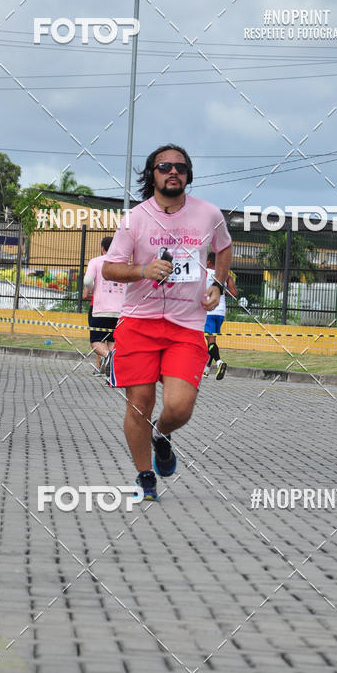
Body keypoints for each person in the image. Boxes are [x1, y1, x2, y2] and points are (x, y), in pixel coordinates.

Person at [102, 144, 232, 500]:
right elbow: (110, 267)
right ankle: (145, 476)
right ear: (153, 174)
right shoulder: (135, 218)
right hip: (139, 323)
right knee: (139, 402)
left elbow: (224, 247)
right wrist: (143, 270)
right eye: (164, 167)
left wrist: (218, 284)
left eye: (180, 167)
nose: (173, 172)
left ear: (188, 175)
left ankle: (161, 434)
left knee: (179, 406)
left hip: (186, 325)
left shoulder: (209, 214)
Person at [82, 236, 125, 373]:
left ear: (102, 248)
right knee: (112, 341)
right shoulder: (122, 264)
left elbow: (87, 280)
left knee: (96, 341)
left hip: (101, 309)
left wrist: (94, 288)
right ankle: (112, 374)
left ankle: (108, 357)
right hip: (119, 311)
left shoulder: (95, 261)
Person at [203, 251, 238, 380]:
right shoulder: (225, 275)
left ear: (208, 262)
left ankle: (219, 362)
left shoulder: (204, 272)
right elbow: (234, 292)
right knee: (212, 341)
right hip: (221, 312)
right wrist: (222, 290)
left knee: (210, 340)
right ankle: (206, 369)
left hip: (209, 311)